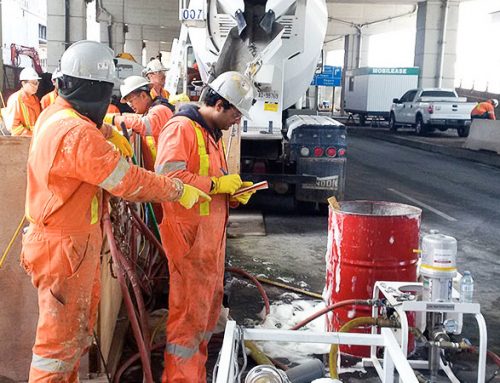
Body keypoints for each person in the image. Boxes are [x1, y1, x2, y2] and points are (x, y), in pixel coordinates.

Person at [21, 40, 209, 383]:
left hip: (63, 243)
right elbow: (128, 181)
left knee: (71, 339)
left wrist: (110, 131)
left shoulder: (55, 113)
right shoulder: (77, 135)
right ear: (96, 91)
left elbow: (84, 127)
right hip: (64, 249)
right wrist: (177, 189)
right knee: (57, 349)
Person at [155, 71, 257, 383]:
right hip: (190, 243)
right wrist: (217, 183)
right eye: (236, 113)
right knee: (188, 323)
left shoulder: (210, 135)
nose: (237, 121)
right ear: (218, 104)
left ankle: (194, 376)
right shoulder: (181, 129)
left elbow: (209, 188)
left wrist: (234, 194)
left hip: (207, 246)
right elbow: (168, 181)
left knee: (202, 320)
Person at [104, 75, 174, 145]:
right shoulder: (151, 111)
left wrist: (114, 119)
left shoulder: (160, 110)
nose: (130, 105)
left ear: (143, 95)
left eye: (131, 101)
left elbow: (142, 124)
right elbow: (138, 118)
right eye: (128, 102)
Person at [3, 67, 41, 136]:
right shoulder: (15, 100)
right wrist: (30, 135)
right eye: (33, 83)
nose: (36, 86)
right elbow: (13, 126)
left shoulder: (35, 99)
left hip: (34, 139)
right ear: (23, 83)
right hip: (21, 141)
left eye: (37, 83)